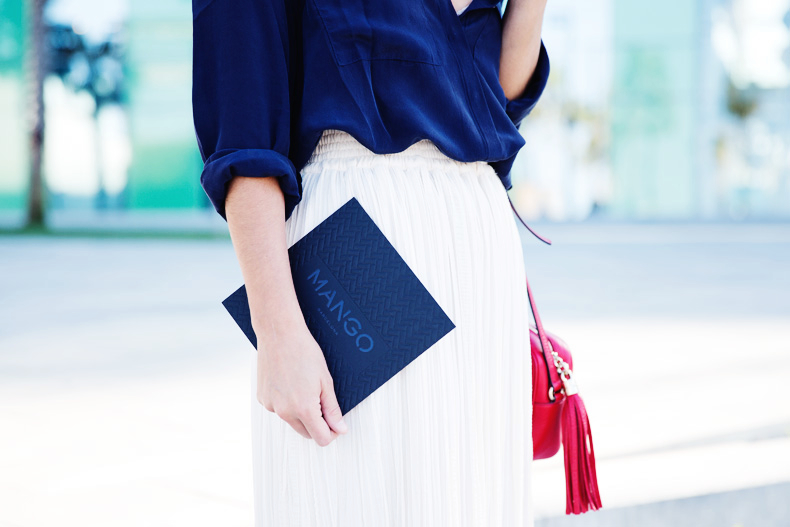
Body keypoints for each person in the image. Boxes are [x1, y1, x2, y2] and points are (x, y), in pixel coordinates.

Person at [191, 0, 550, 524]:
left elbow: (492, 96)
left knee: (471, 500)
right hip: (360, 237)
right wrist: (278, 330)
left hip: (478, 244)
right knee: (358, 496)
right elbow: (243, 130)